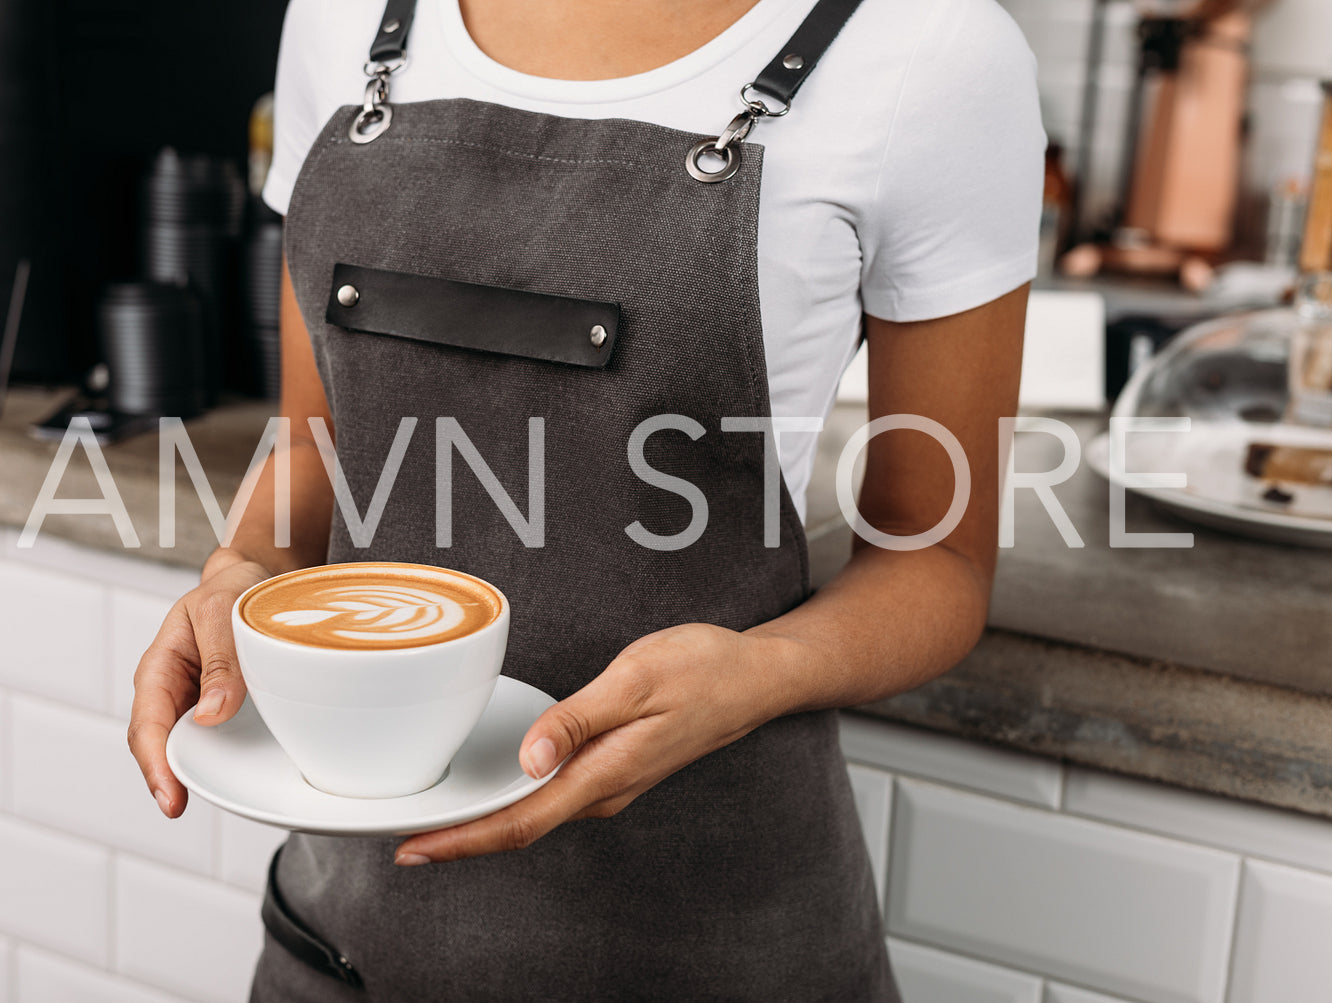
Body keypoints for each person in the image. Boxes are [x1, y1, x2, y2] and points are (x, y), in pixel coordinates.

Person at [128, 0, 1043, 997]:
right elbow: (318, 442)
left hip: (714, 945)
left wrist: (757, 671)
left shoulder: (929, 50)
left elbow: (936, 558)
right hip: (344, 944)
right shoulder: (343, 15)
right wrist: (242, 572)